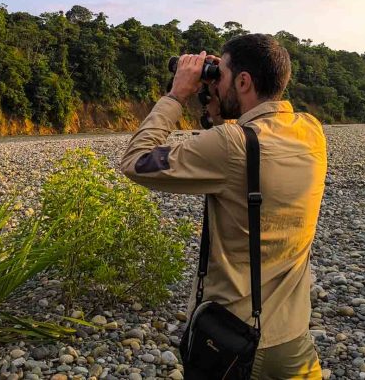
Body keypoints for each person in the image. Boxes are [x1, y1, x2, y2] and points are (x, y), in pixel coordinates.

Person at [119, 33, 327, 379]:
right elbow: (251, 140)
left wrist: (176, 95)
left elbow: (135, 160)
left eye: (222, 75)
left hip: (233, 341)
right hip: (293, 340)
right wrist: (222, 101)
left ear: (244, 81)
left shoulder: (230, 146)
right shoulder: (311, 130)